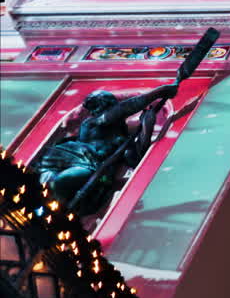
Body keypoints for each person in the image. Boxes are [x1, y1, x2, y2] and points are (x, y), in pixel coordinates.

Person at [36, 81, 180, 215]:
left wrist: (147, 127)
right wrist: (159, 92)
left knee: (64, 187)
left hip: (93, 169)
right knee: (54, 185)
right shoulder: (93, 122)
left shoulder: (123, 137)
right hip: (70, 159)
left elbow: (135, 159)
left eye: (112, 105)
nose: (113, 108)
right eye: (109, 106)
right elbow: (124, 109)